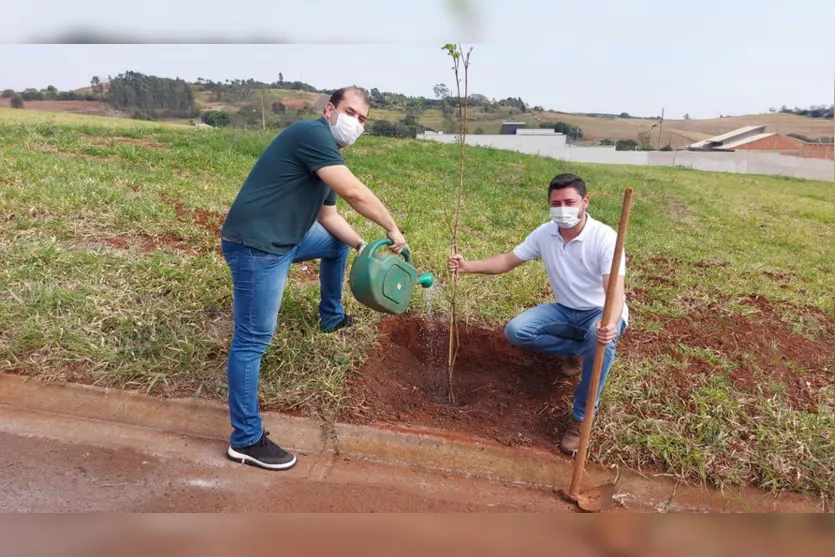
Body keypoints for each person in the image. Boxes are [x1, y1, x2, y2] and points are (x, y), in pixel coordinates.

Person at [219, 86, 408, 471]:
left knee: (335, 245)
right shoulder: (311, 135)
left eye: (363, 119)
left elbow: (329, 218)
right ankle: (246, 439)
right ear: (330, 110)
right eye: (351, 112)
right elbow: (354, 193)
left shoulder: (328, 153)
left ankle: (330, 315)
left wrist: (360, 247)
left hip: (290, 237)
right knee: (252, 340)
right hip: (258, 246)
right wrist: (391, 228)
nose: (356, 122)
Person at [447, 172, 628, 455]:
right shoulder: (545, 234)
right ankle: (577, 350)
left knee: (597, 336)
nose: (562, 209)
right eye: (556, 203)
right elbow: (508, 260)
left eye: (569, 202)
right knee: (517, 331)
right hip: (566, 310)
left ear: (585, 202)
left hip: (599, 311)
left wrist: (611, 322)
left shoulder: (605, 238)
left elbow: (615, 290)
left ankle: (581, 418)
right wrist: (469, 266)